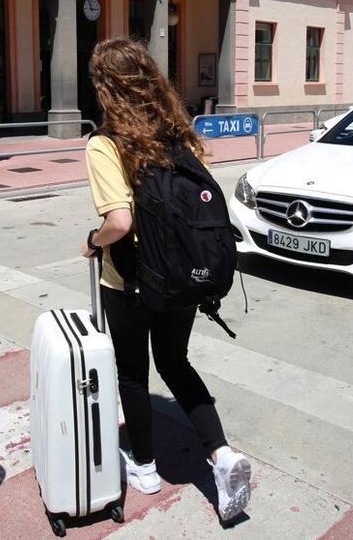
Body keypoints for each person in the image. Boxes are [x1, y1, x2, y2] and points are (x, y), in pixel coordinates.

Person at [79, 37, 252, 523]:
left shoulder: (105, 143)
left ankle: (146, 466)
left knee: (133, 373)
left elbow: (119, 222)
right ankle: (219, 454)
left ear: (105, 88)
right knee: (175, 362)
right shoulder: (178, 134)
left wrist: (92, 242)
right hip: (181, 276)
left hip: (130, 283)